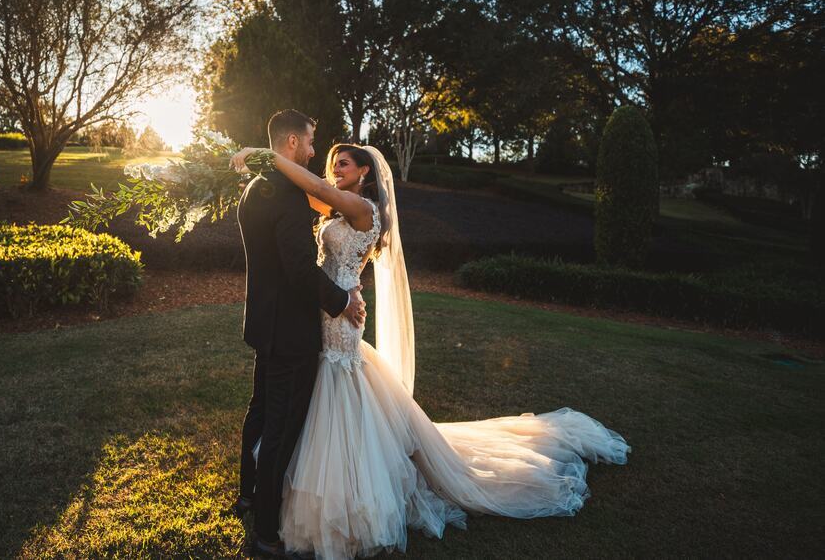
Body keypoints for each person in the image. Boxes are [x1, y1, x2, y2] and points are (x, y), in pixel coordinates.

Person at [231, 141, 630, 560]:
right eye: (333, 164)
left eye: (344, 164)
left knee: (338, 386)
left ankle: (345, 490)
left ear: (365, 171)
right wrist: (263, 170)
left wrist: (268, 154)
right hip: (326, 307)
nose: (335, 170)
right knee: (317, 391)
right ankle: (289, 485)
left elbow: (313, 187)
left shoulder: (361, 208)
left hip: (341, 312)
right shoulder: (337, 205)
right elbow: (304, 190)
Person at [232, 110, 367, 558]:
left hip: (263, 324)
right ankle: (267, 533)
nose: (313, 151)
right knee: (281, 428)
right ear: (291, 142)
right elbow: (298, 270)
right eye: (309, 142)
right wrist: (342, 300)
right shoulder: (288, 196)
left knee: (259, 413)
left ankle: (248, 495)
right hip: (290, 332)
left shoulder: (255, 187)